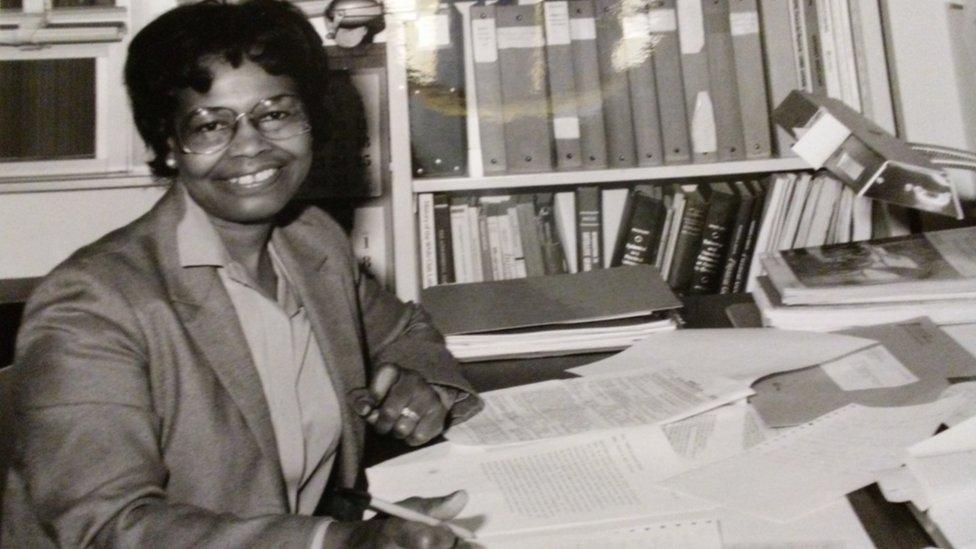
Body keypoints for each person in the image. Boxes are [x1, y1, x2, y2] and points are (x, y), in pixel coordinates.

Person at [0, 1, 482, 546]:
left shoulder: (311, 239)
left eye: (275, 113)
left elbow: (406, 333)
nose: (251, 145)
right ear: (168, 145)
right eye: (210, 125)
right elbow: (107, 525)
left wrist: (422, 390)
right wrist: (337, 542)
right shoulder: (92, 305)